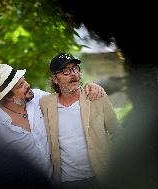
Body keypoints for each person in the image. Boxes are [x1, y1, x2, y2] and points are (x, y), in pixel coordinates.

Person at [0, 63, 106, 182]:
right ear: (8, 97)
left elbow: (68, 98)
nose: (28, 85)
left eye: (24, 80)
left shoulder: (39, 98)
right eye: (21, 85)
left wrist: (90, 86)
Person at [39, 53, 119, 189]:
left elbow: (116, 131)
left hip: (101, 177)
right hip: (67, 182)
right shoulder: (45, 103)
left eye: (75, 68)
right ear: (55, 79)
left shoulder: (96, 96)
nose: (73, 74)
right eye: (65, 70)